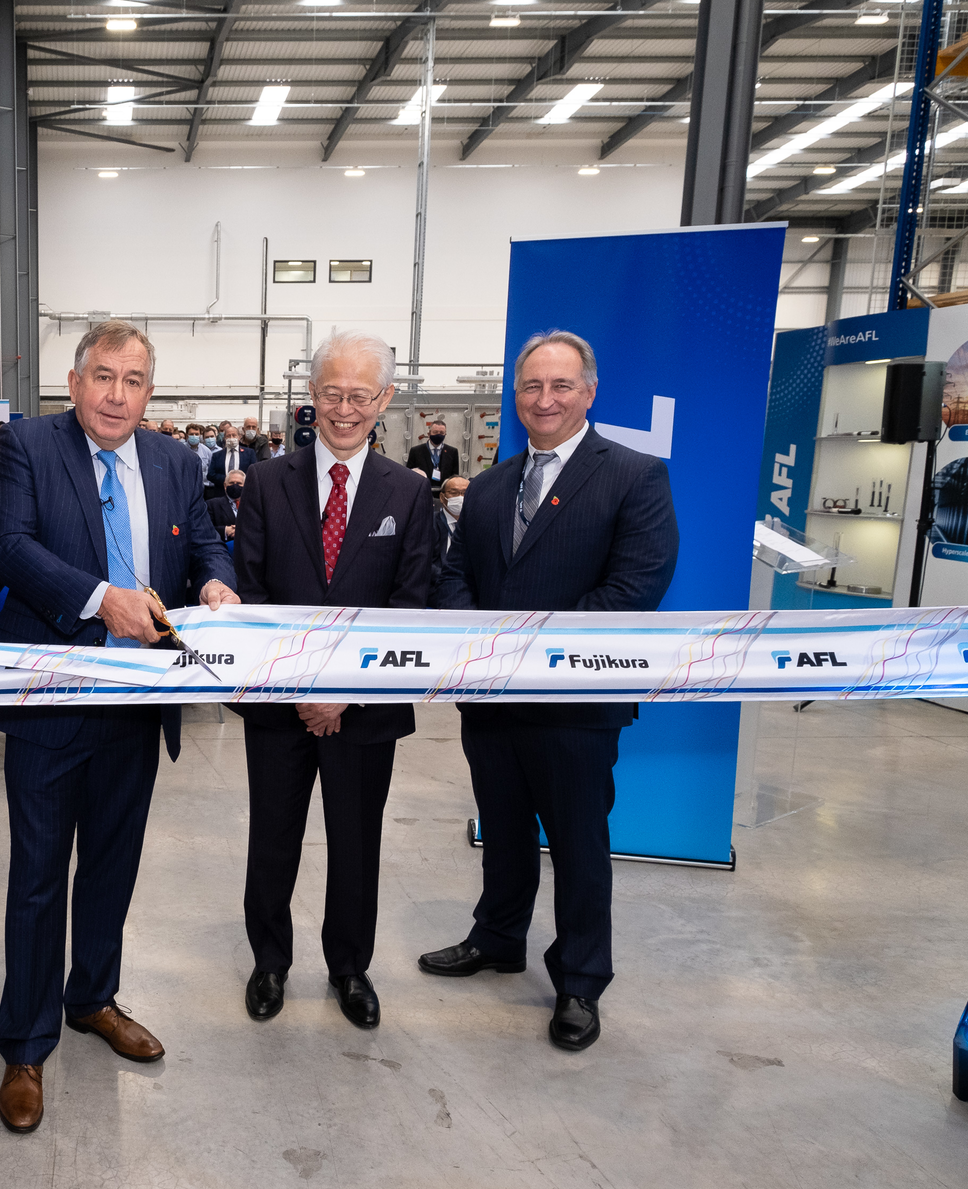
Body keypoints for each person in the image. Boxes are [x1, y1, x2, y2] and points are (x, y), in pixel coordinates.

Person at [0, 318, 239, 1134]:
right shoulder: (26, 446)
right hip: (54, 699)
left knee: (112, 868)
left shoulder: (170, 458)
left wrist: (219, 586)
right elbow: (8, 547)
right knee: (38, 877)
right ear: (74, 379)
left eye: (133, 381)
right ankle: (25, 1044)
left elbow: (203, 542)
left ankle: (92, 998)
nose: (117, 394)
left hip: (138, 704)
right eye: (103, 377)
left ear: (149, 391)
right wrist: (101, 602)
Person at [421, 329, 678, 1053]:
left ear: (589, 393)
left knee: (576, 843)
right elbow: (454, 578)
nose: (545, 399)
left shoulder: (635, 476)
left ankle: (580, 980)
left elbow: (635, 590)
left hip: (574, 707)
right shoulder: (494, 483)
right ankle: (499, 938)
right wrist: (485, 650)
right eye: (532, 386)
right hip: (492, 702)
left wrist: (525, 652)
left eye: (561, 386)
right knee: (501, 831)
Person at [230, 330, 434, 1029]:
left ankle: (349, 967)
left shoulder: (408, 493)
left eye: (358, 396)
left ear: (385, 399)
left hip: (364, 710)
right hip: (279, 707)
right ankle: (270, 962)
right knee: (272, 837)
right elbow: (253, 596)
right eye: (330, 393)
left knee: (356, 842)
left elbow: (411, 607)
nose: (343, 410)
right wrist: (301, 692)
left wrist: (344, 691)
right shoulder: (264, 483)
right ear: (310, 397)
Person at [406, 419, 460, 491]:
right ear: (429, 434)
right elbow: (409, 474)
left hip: (444, 492)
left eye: (441, 433)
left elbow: (454, 476)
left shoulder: (452, 452)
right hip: (422, 491)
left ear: (445, 435)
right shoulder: (416, 451)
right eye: (435, 432)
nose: (438, 434)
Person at [434, 475, 470, 577]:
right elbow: (423, 563)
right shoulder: (429, 523)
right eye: (454, 493)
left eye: (465, 493)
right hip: (438, 583)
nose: (460, 497)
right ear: (442, 497)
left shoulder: (478, 524)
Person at [206, 430, 254, 500]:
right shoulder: (217, 455)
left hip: (243, 494)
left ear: (239, 437)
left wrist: (239, 481)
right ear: (224, 438)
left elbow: (253, 473)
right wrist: (228, 480)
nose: (231, 438)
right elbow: (210, 475)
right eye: (228, 436)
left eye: (234, 435)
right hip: (221, 493)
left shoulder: (249, 453)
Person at [208, 467, 244, 539]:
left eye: (239, 483)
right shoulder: (212, 505)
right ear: (225, 485)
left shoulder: (253, 505)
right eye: (231, 483)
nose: (235, 486)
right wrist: (225, 530)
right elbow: (205, 529)